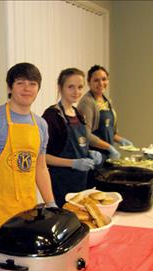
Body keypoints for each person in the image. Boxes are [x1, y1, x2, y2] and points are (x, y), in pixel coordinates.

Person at [0, 62, 56, 231]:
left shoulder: (41, 125)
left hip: (28, 214)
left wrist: (51, 203)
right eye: (20, 83)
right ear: (10, 88)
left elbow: (40, 168)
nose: (27, 88)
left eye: (32, 84)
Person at [42, 68, 102, 207]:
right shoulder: (52, 117)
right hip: (61, 186)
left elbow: (80, 146)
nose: (76, 92)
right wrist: (73, 163)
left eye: (80, 87)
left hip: (81, 184)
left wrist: (89, 153)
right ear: (60, 87)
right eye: (71, 87)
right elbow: (43, 157)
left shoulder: (78, 114)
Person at [77, 65, 134, 161]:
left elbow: (109, 131)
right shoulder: (87, 103)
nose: (101, 83)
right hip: (95, 157)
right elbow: (86, 134)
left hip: (107, 157)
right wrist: (109, 147)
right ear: (89, 83)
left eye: (104, 79)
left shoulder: (107, 101)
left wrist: (121, 140)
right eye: (96, 80)